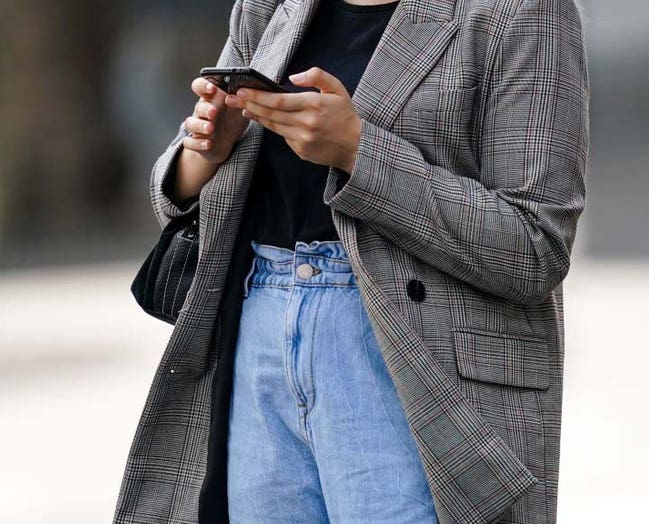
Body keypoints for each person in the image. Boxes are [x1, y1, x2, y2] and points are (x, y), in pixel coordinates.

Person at [114, 0, 589, 522]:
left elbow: (535, 245)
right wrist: (206, 149)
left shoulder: (521, 11)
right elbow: (181, 188)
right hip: (259, 342)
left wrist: (358, 151)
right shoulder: (271, 5)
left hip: (412, 360)